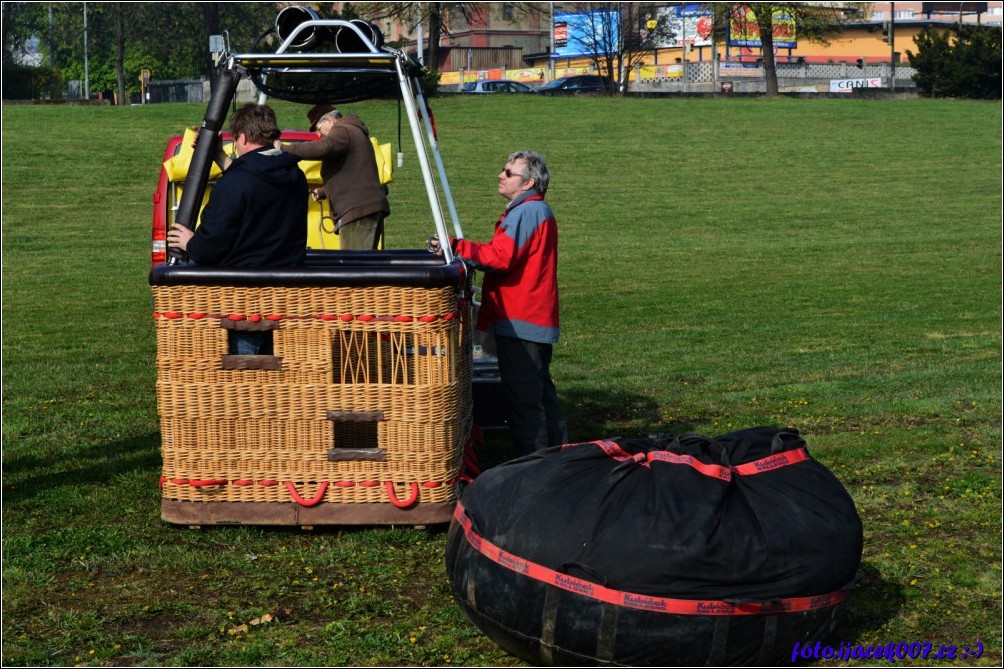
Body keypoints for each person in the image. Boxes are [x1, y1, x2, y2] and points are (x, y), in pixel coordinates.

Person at [434, 150, 568, 454]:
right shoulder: (532, 211)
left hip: (522, 320)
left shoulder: (528, 212)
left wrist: (456, 247)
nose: (501, 175)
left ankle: (535, 464)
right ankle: (559, 457)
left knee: (524, 399)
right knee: (540, 393)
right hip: (530, 319)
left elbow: (500, 258)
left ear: (528, 183)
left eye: (508, 172)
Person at [166, 103, 308, 354]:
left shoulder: (238, 182)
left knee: (242, 375)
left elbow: (212, 245)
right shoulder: (294, 175)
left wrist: (191, 243)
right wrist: (220, 157)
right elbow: (254, 179)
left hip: (244, 296)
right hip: (286, 295)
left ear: (241, 136)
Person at [277, 104, 390, 250]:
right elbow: (353, 174)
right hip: (367, 207)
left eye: (318, 129)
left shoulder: (342, 130)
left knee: (353, 267)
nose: (319, 136)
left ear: (329, 120)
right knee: (365, 265)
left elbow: (323, 148)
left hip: (357, 211)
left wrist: (285, 148)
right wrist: (324, 191)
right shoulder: (353, 131)